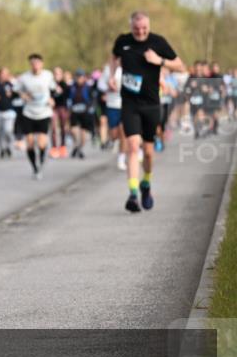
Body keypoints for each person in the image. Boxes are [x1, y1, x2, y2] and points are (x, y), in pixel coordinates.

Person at [113, 11, 185, 213]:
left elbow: (180, 66)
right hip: (129, 103)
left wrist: (159, 61)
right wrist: (112, 75)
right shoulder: (123, 41)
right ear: (131, 26)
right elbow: (114, 57)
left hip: (152, 104)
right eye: (136, 28)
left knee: (149, 153)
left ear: (148, 26)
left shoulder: (158, 42)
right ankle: (133, 194)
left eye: (144, 28)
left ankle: (146, 183)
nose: (140, 32)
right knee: (133, 146)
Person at [15, 54, 56, 179]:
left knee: (42, 143)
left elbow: (53, 89)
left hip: (44, 112)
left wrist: (51, 99)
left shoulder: (48, 75)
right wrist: (23, 95)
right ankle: (35, 168)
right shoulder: (24, 77)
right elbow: (16, 89)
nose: (35, 65)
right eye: (33, 63)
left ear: (42, 64)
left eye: (37, 63)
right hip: (29, 112)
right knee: (30, 143)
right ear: (30, 64)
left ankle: (41, 162)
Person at [98, 58, 126, 169]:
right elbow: (100, 85)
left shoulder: (129, 67)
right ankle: (116, 142)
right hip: (112, 104)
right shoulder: (108, 70)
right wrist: (108, 87)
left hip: (126, 105)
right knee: (114, 134)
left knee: (124, 132)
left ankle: (121, 158)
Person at [66, 69, 96, 159]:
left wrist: (90, 108)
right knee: (74, 131)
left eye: (81, 76)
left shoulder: (88, 87)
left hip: (85, 111)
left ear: (84, 77)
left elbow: (93, 99)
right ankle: (76, 144)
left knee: (83, 133)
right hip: (74, 111)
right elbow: (67, 98)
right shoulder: (71, 87)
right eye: (77, 76)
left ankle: (80, 148)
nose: (79, 78)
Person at [50, 66, 70, 158]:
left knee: (63, 127)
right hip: (53, 108)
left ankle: (62, 146)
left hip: (62, 107)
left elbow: (67, 96)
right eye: (55, 73)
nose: (57, 75)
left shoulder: (64, 84)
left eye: (58, 73)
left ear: (61, 75)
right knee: (53, 128)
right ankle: (54, 148)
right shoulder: (50, 84)